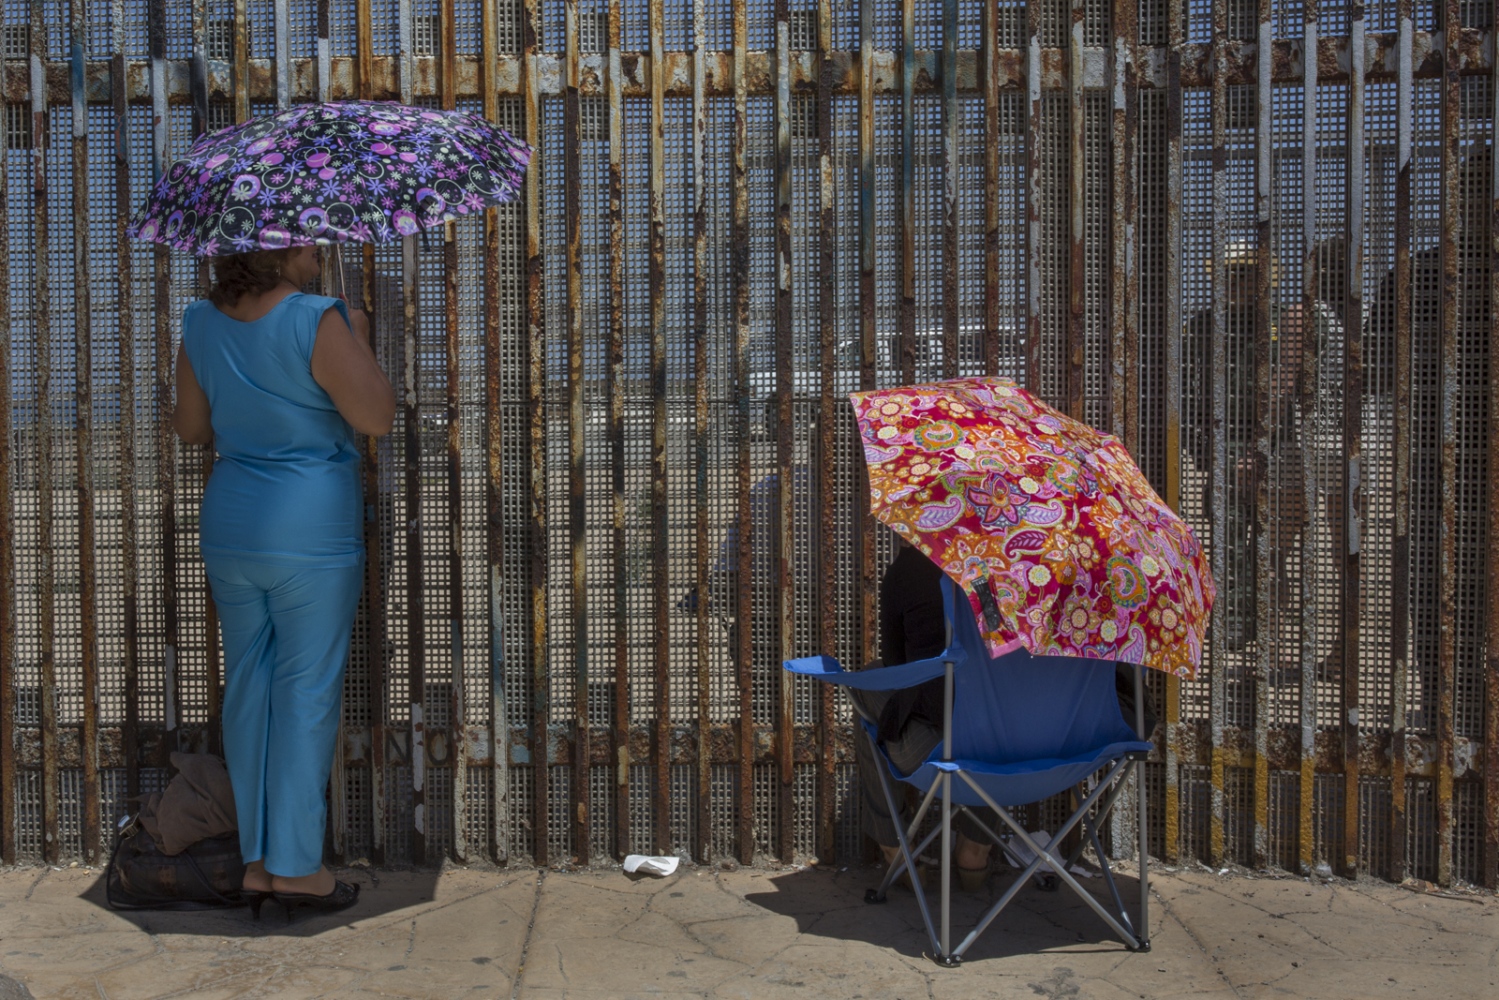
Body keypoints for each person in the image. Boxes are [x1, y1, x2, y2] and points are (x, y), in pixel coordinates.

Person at [172, 244, 395, 917]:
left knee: (249, 685)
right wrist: (353, 337)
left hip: (233, 524)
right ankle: (295, 869)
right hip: (309, 532)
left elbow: (190, 428)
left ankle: (257, 862)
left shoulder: (199, 322)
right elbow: (375, 417)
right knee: (304, 691)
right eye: (310, 236)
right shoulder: (317, 318)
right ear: (286, 247)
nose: (319, 248)